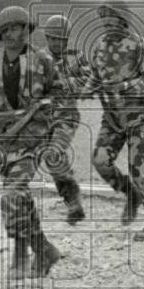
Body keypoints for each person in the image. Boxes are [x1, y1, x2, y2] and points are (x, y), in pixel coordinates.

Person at [0, 6, 61, 280]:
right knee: (20, 197)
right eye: (6, 30)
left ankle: (21, 253)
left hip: (32, 138)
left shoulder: (42, 61)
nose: (12, 34)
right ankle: (44, 248)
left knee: (12, 195)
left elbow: (59, 94)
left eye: (17, 28)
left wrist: (48, 110)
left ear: (27, 30)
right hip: (2, 140)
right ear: (0, 34)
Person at [84, 1, 144, 241]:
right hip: (111, 121)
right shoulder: (99, 47)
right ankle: (130, 193)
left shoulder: (140, 47)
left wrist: (124, 86)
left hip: (137, 121)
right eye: (104, 19)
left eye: (111, 19)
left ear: (123, 20)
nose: (107, 24)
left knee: (137, 169)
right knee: (100, 161)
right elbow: (94, 76)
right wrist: (84, 89)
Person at [40, 14, 88, 224]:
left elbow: (88, 81)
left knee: (53, 153)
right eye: (52, 39)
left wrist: (64, 84)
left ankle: (73, 201)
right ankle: (71, 200)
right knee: (50, 159)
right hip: (41, 118)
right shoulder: (37, 58)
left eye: (60, 39)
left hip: (66, 116)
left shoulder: (76, 57)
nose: (56, 43)